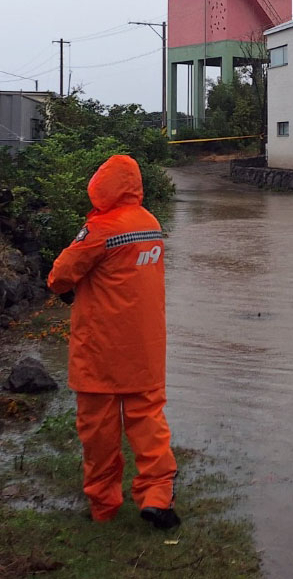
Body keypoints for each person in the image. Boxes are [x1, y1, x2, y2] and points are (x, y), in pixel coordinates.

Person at [47, 154, 180, 530]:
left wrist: (65, 288)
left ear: (100, 186)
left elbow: (60, 275)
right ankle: (157, 497)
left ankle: (104, 506)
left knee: (99, 432)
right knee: (149, 422)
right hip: (146, 348)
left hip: (100, 351)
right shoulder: (150, 224)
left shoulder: (100, 229)